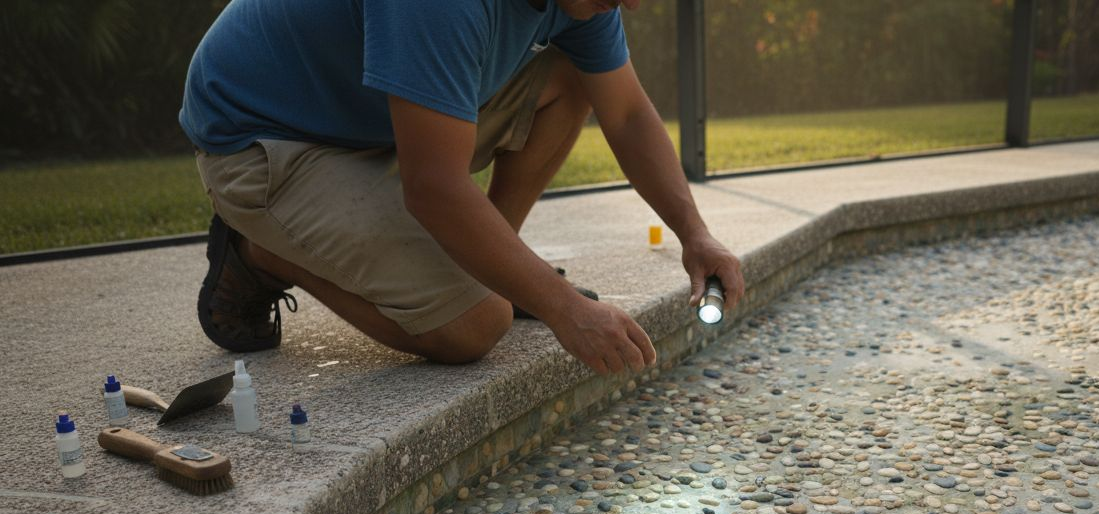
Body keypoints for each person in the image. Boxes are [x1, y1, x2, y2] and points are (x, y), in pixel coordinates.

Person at [180, 0, 744, 376]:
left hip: (368, 121)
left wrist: (695, 234)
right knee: (474, 326)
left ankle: (493, 264)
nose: (633, 3)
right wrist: (562, 308)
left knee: (576, 77)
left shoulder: (587, 0)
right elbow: (434, 188)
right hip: (263, 141)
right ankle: (259, 252)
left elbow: (626, 114)